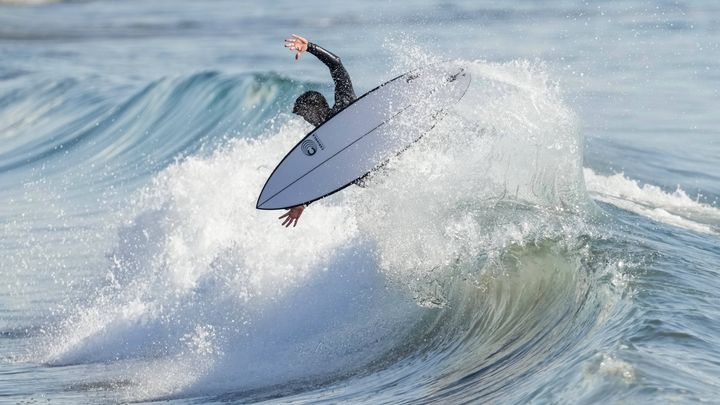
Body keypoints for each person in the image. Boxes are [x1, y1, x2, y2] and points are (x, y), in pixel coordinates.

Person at [278, 34, 357, 227]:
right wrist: (304, 203)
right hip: (367, 178)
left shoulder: (344, 103)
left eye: (306, 115)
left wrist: (310, 47)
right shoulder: (321, 142)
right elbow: (318, 176)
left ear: (316, 107)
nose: (307, 120)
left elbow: (337, 66)